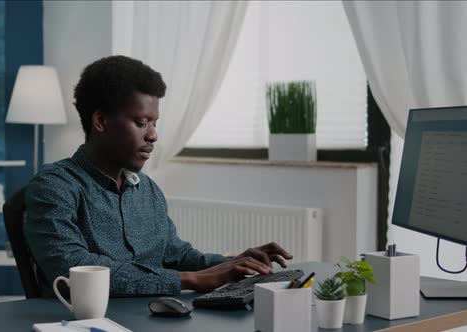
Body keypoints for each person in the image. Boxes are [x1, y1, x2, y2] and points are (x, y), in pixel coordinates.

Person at [24, 55, 293, 297]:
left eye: (154, 123)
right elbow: (74, 267)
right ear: (101, 121)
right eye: (141, 123)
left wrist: (234, 263)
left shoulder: (147, 190)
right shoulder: (54, 186)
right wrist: (191, 280)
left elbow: (178, 256)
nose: (153, 135)